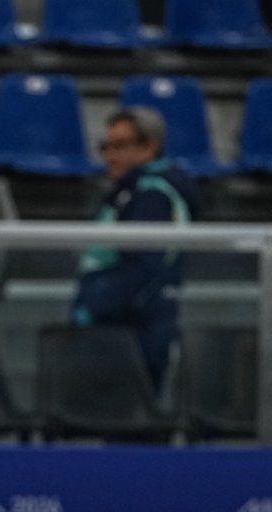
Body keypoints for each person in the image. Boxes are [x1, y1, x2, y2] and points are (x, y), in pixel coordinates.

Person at [73, 106, 200, 391]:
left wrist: (97, 306)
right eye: (105, 146)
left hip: (132, 334)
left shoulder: (152, 196)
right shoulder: (131, 191)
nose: (110, 156)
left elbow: (146, 267)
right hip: (122, 329)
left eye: (120, 146)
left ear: (148, 148)